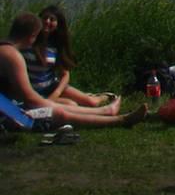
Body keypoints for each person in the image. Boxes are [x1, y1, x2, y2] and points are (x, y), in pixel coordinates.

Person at [1, 14, 146, 128]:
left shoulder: (5, 49)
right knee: (59, 113)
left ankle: (106, 111)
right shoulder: (12, 55)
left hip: (7, 107)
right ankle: (119, 120)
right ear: (32, 35)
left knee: (61, 106)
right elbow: (31, 98)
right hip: (7, 114)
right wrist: (51, 104)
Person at [25, 4, 118, 108]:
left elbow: (65, 74)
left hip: (52, 86)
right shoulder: (28, 40)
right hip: (33, 91)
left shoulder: (57, 45)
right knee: (71, 105)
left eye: (52, 19)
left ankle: (102, 97)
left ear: (58, 24)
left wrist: (55, 94)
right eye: (45, 18)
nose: (47, 21)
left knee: (92, 102)